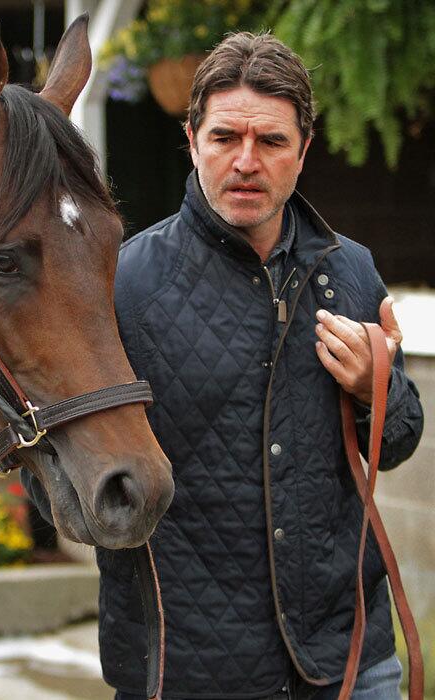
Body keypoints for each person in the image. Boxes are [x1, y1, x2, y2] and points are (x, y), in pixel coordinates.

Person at [100, 32, 424, 699]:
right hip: (184, 670)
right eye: (225, 138)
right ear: (191, 141)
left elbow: (396, 442)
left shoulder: (351, 270)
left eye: (271, 142)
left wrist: (374, 388)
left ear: (303, 151)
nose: (246, 161)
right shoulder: (122, 284)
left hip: (347, 658)